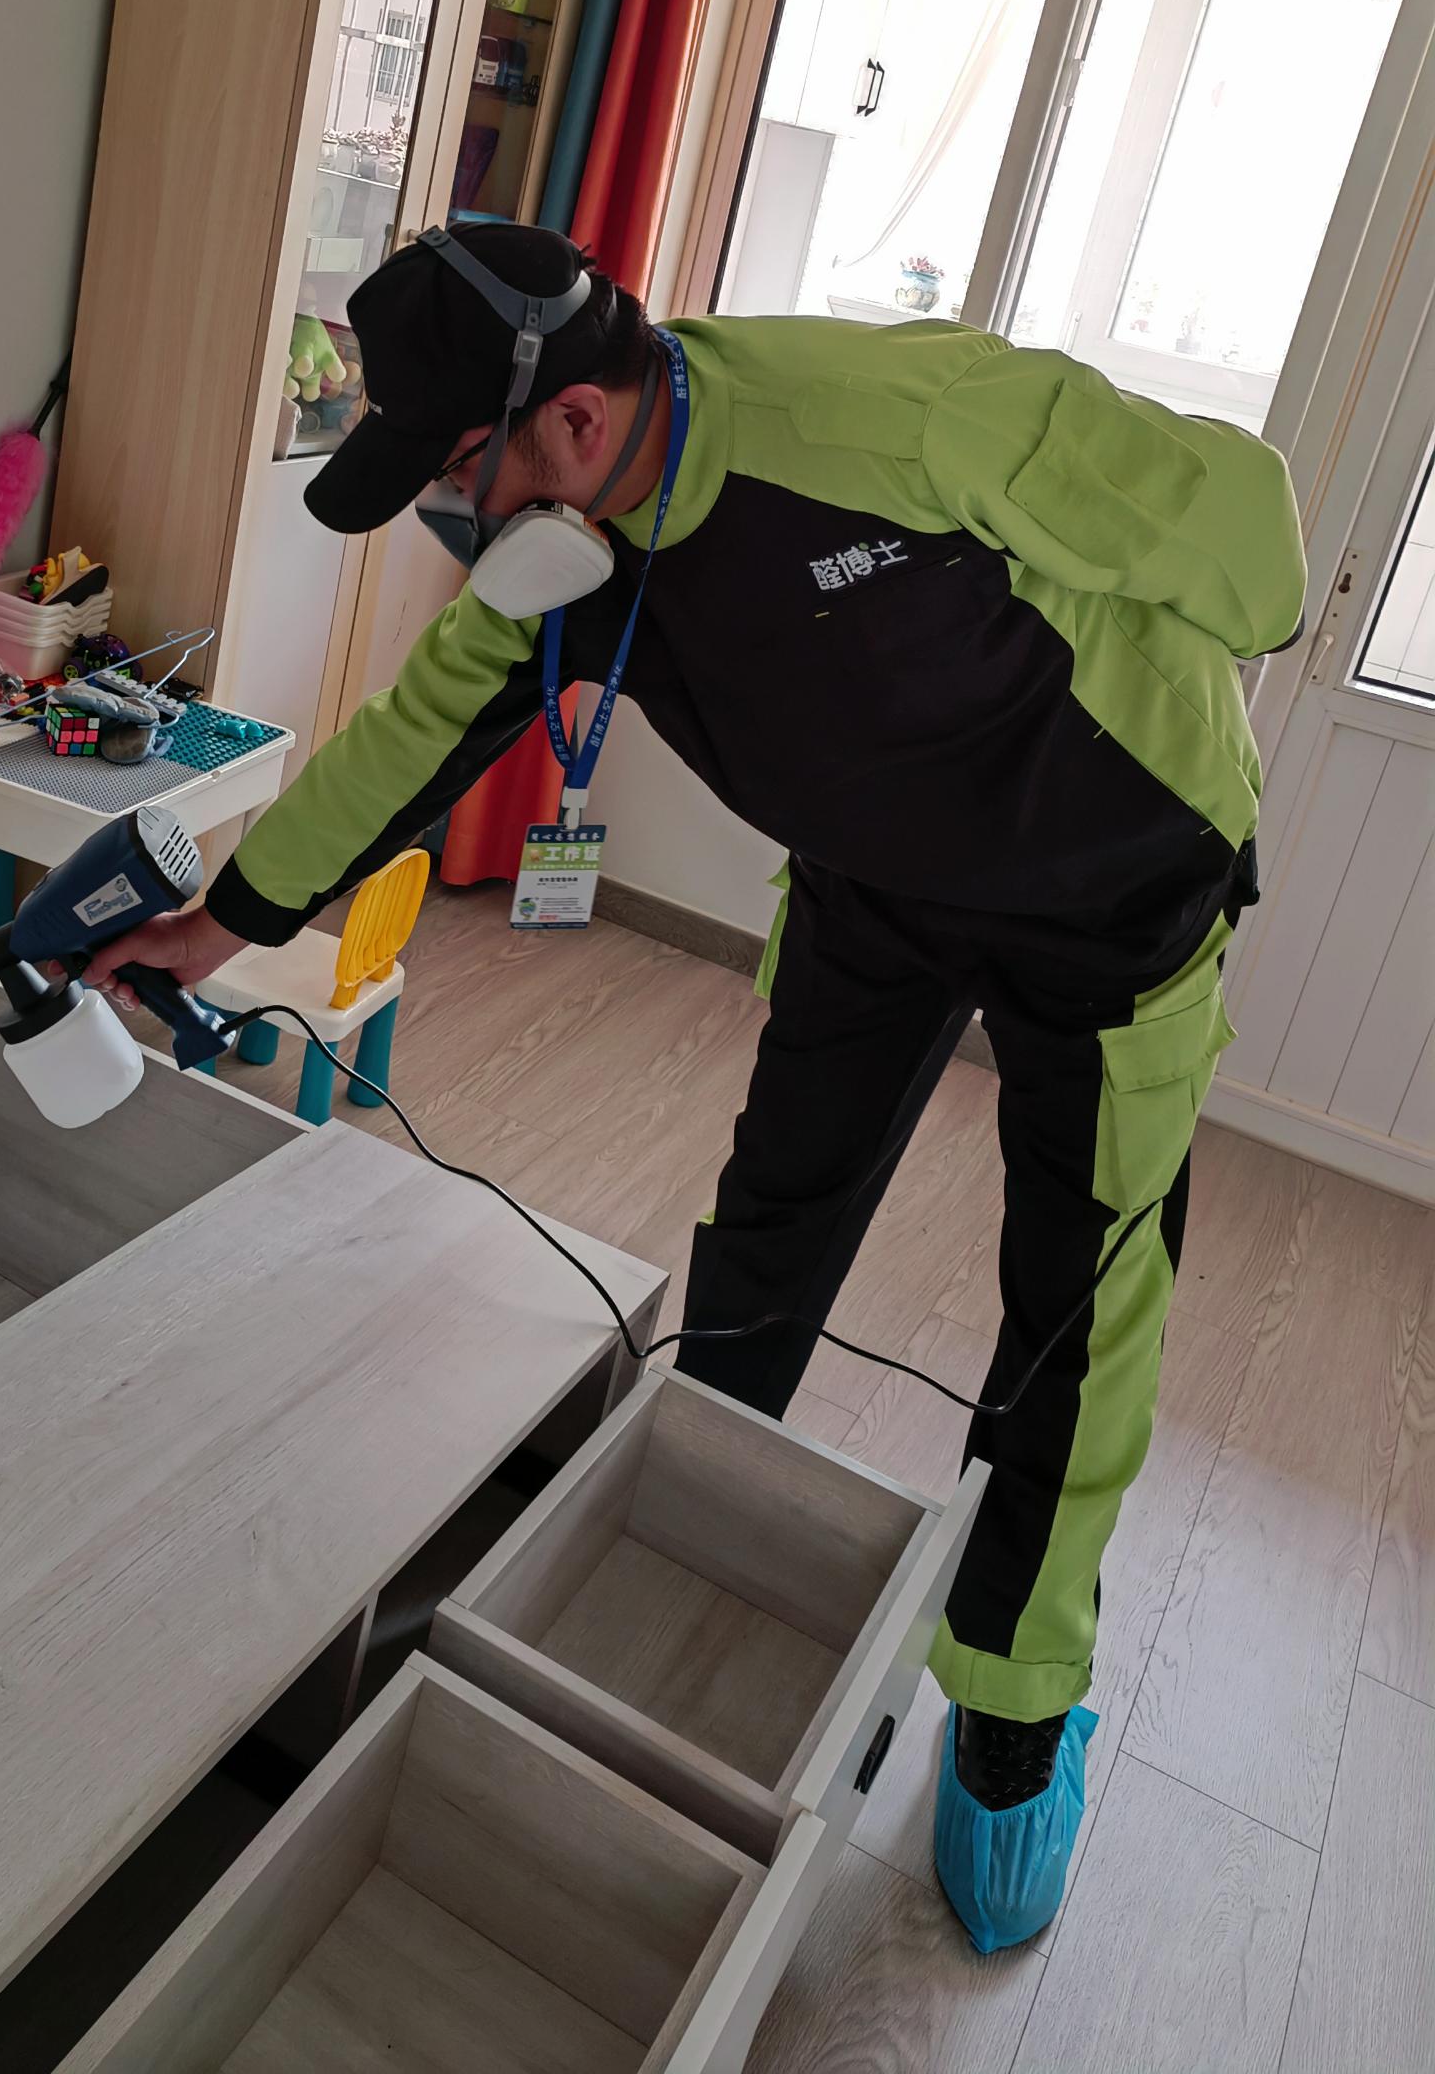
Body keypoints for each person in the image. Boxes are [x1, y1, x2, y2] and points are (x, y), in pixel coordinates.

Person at [87, 222, 1306, 1949]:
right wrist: (227, 923)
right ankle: (699, 1517)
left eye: (458, 478)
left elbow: (1258, 552)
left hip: (1114, 887)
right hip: (878, 886)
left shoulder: (909, 419)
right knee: (773, 1217)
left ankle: (1016, 1698)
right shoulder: (582, 555)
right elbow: (421, 730)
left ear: (575, 420)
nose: (454, 521)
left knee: (1078, 1306)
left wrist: (1108, 664)